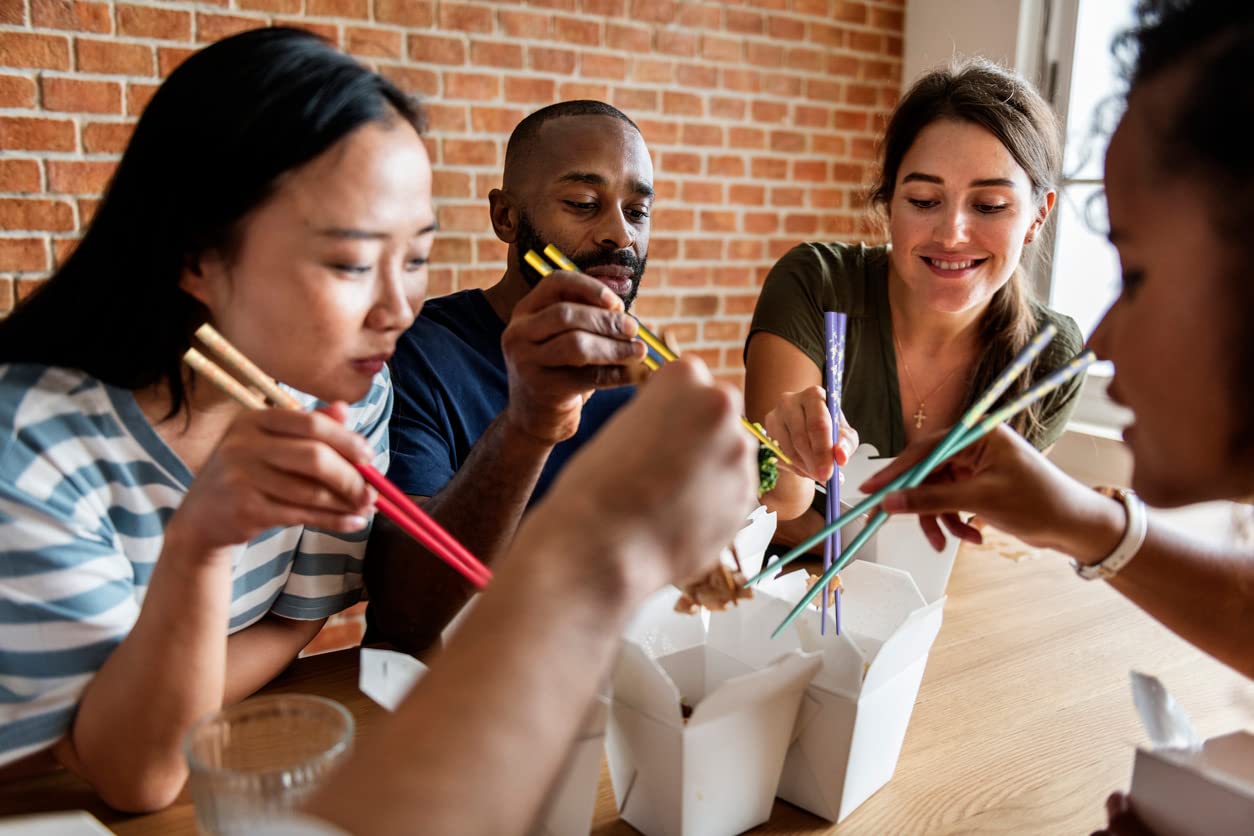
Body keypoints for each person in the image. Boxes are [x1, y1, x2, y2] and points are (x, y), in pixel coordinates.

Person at [0, 29, 755, 821]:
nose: (397, 312)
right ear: (198, 257)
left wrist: (150, 700)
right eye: (354, 263)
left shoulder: (346, 401)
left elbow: (298, 617)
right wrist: (203, 543)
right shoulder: (33, 446)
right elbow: (138, 775)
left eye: (416, 258)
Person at [855, 1, 1254, 832]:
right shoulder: (825, 286)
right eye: (922, 198)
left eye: (1135, 272)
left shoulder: (1047, 347)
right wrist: (1081, 522)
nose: (1103, 336)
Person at [745, 59, 1086, 558]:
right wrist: (792, 459)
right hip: (795, 591)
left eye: (989, 206)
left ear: (1038, 215)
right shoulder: (814, 283)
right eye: (924, 200)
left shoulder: (1050, 356)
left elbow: (976, 537)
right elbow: (776, 504)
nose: (951, 235)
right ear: (888, 203)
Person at [366, 101, 657, 652]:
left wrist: (772, 466)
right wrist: (531, 423)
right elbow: (408, 610)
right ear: (506, 217)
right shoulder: (416, 351)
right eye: (583, 204)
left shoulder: (646, 366)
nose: (618, 236)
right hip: (434, 693)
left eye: (637, 213)